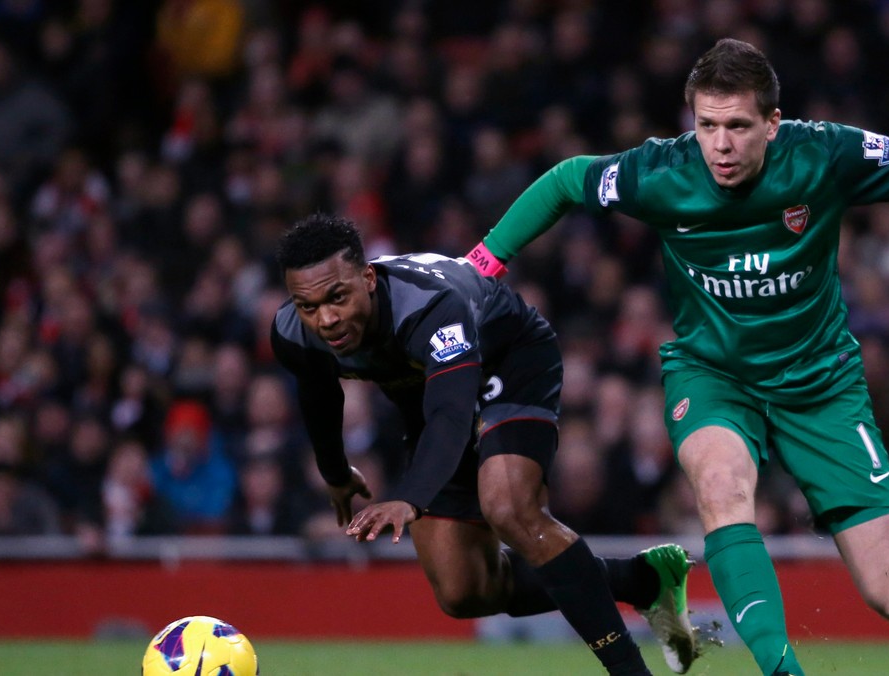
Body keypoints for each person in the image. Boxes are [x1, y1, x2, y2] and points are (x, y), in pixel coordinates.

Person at [465, 38, 889, 676]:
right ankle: (780, 669)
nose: (720, 145)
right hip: (713, 374)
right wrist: (482, 265)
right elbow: (565, 180)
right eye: (707, 126)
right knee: (720, 487)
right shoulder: (661, 171)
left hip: (821, 385)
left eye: (738, 127)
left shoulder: (826, 154)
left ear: (773, 124)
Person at [270, 214, 697, 675]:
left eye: (337, 297)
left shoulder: (430, 308)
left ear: (368, 278)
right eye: (308, 306)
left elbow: (452, 415)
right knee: (464, 591)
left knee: (509, 506)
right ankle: (643, 579)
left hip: (509, 361)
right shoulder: (293, 332)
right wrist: (335, 473)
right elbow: (318, 394)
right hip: (431, 394)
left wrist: (412, 497)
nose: (326, 319)